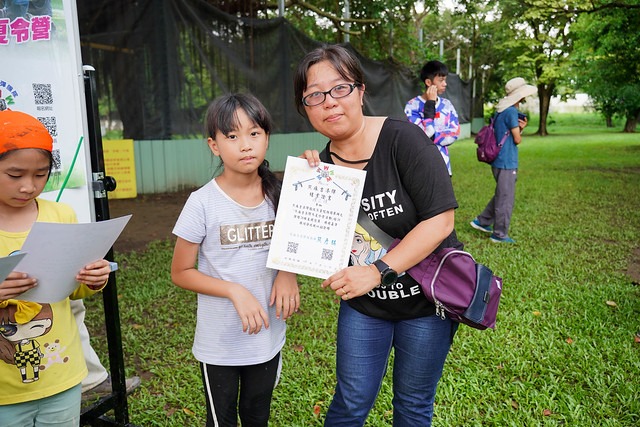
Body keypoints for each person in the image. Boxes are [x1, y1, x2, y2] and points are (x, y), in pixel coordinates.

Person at [295, 44, 462, 426]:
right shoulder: (320, 172)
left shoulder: (405, 140)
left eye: (340, 88)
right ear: (305, 107)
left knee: (414, 405)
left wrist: (378, 270)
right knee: (350, 403)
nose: (330, 103)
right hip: (365, 307)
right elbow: (319, 244)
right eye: (314, 95)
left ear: (360, 91)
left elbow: (441, 221)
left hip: (425, 304)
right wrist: (309, 189)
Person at [170, 93, 300, 427]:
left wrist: (287, 272)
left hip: (267, 338)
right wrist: (234, 290)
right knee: (221, 421)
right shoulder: (202, 203)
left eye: (254, 133)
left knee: (258, 417)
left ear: (267, 138)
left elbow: (300, 242)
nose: (245, 145)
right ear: (214, 145)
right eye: (232, 136)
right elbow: (181, 272)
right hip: (220, 344)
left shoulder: (282, 193)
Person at [0, 109, 112, 425]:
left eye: (40, 174)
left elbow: (72, 288)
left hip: (60, 376)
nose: (28, 186)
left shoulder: (61, 215)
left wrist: (92, 279)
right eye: (15, 174)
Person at [469, 77, 537, 244]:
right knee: (506, 197)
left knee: (502, 193)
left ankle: (482, 221)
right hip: (507, 160)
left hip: (498, 160)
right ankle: (499, 234)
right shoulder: (512, 112)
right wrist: (522, 128)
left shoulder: (501, 111)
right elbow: (517, 139)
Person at [404, 60, 460, 176]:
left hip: (443, 165)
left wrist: (432, 136)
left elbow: (454, 132)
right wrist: (430, 104)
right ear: (429, 82)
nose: (445, 84)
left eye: (445, 80)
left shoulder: (447, 105)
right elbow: (421, 135)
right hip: (420, 166)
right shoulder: (412, 105)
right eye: (441, 80)